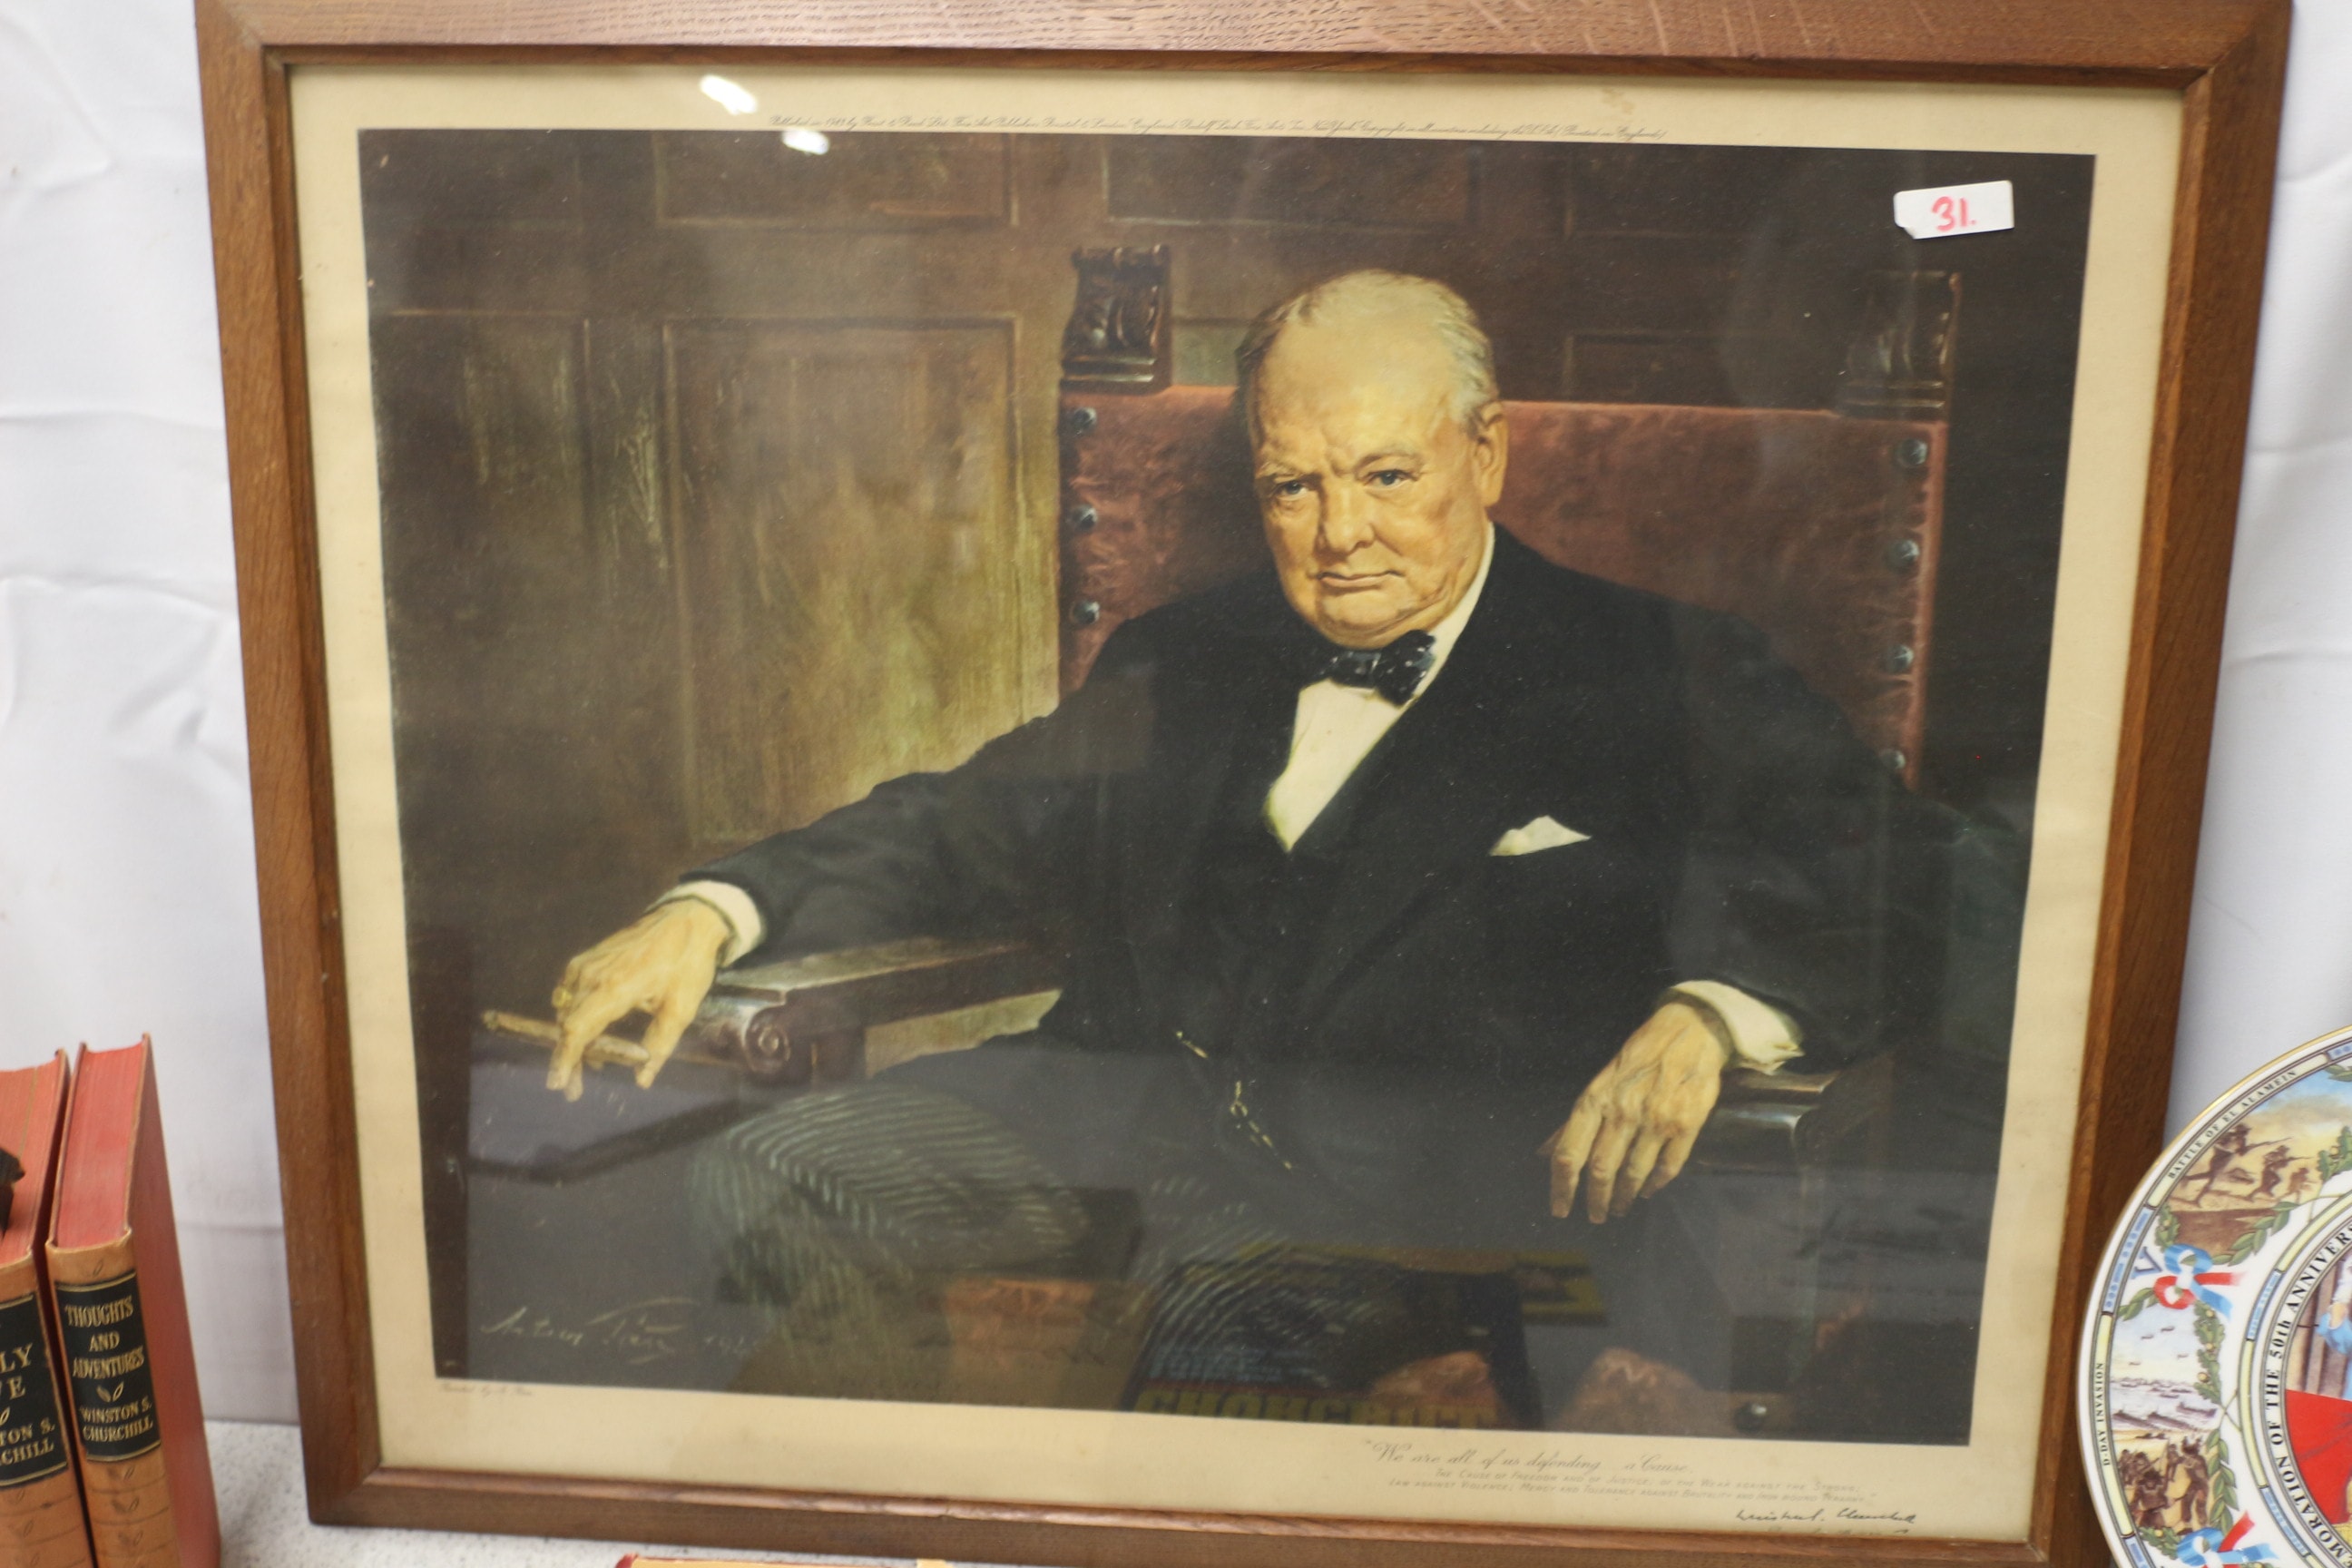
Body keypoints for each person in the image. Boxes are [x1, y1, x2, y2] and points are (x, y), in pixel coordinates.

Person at [546, 270, 1958, 1413]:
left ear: (1486, 453)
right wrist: (713, 909)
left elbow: (1890, 867)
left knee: (1212, 1334)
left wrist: (1716, 1014)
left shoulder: (1656, 667)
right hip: (1111, 1121)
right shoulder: (1184, 655)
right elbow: (960, 824)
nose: (1341, 533)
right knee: (766, 1176)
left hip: (1409, 1205)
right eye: (1294, 486)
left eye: (1387, 476)